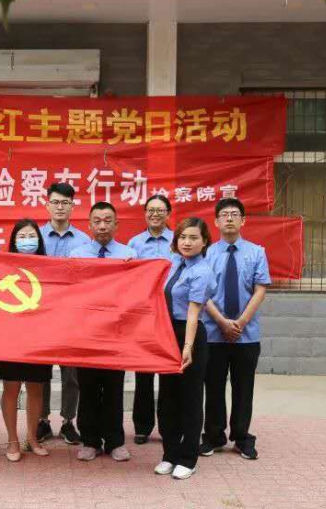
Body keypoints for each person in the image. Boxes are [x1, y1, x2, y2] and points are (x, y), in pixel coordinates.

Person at [201, 198, 271, 461]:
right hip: (213, 333)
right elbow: (202, 292)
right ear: (216, 221)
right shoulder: (206, 254)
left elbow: (260, 290)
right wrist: (221, 322)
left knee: (244, 388)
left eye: (234, 214)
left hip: (246, 335)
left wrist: (239, 323)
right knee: (214, 388)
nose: (229, 218)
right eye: (224, 215)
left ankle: (242, 438)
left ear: (243, 220)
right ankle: (214, 436)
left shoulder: (256, 252)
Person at [69, 201, 137, 462]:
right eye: (97, 221)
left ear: (116, 224)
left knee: (113, 388)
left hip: (116, 333)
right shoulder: (76, 255)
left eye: (108, 221)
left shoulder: (129, 254)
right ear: (89, 225)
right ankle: (90, 441)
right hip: (86, 332)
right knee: (87, 388)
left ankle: (115, 441)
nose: (102, 226)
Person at [155, 216, 216, 480]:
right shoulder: (173, 264)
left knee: (190, 399)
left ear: (204, 242)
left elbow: (193, 313)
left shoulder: (202, 271)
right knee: (167, 398)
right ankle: (169, 454)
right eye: (182, 237)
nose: (187, 242)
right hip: (167, 334)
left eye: (193, 237)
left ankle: (188, 458)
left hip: (189, 336)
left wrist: (188, 346)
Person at [37, 182, 90, 444]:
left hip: (72, 316)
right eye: (55, 202)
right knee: (41, 372)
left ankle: (69, 421)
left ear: (72, 206)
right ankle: (42, 420)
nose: (60, 207)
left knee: (72, 373)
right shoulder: (34, 236)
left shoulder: (84, 241)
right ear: (47, 205)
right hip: (41, 315)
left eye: (65, 203)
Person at [0, 219, 54, 462]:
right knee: (11, 388)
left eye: (31, 236)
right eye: (21, 237)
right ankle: (12, 440)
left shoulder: (49, 267)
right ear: (13, 241)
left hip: (39, 338)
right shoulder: (1, 267)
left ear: (39, 240)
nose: (26, 241)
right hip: (10, 338)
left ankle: (32, 438)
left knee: (36, 388)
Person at [127, 194, 174, 445]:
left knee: (168, 373)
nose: (155, 214)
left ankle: (167, 426)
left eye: (160, 210)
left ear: (168, 214)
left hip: (171, 312)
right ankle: (142, 427)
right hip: (143, 314)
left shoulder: (179, 240)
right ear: (145, 214)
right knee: (143, 374)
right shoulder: (134, 244)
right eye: (151, 210)